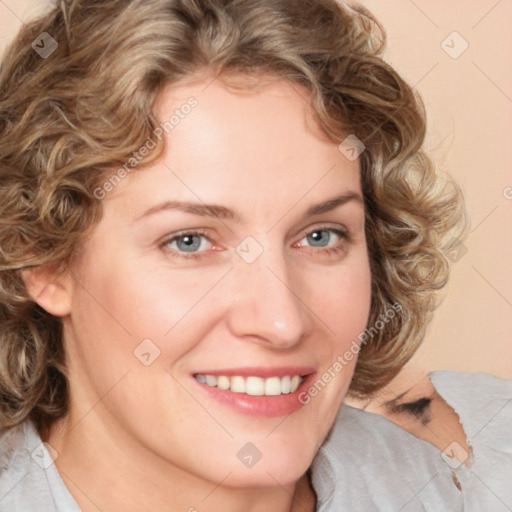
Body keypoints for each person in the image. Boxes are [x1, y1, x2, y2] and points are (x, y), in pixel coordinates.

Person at [0, 0, 510, 511]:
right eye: (190, 241)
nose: (281, 322)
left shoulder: (470, 479)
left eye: (320, 236)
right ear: (44, 260)